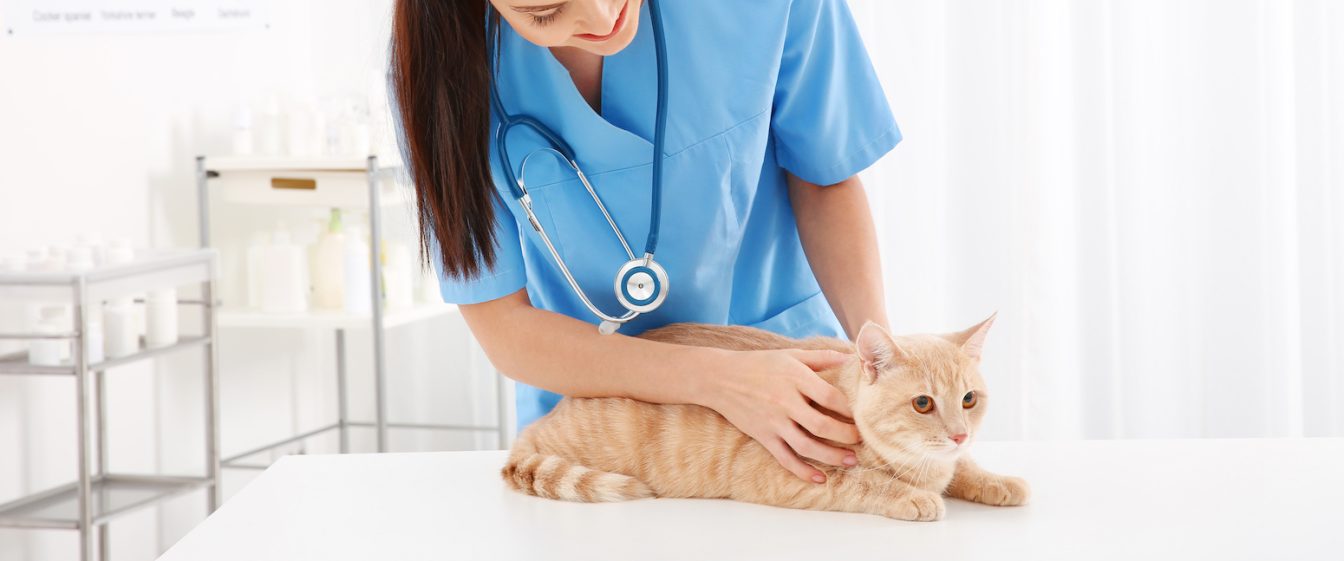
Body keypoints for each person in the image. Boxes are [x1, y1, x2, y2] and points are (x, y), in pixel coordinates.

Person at [389, 0, 900, 485]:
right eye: (543, 12)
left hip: (794, 396)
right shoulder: (437, 67)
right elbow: (501, 323)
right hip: (603, 431)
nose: (601, 16)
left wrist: (890, 372)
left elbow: (823, 176)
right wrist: (720, 379)